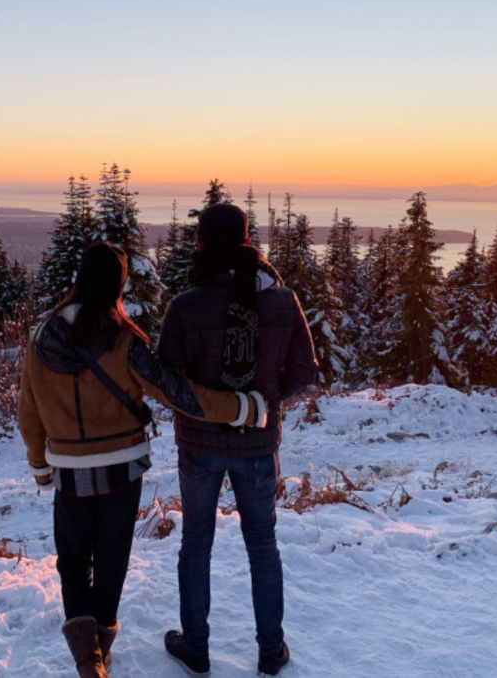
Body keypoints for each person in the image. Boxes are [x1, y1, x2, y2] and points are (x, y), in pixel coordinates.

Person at [18, 242, 266, 678]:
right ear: (118, 285)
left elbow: (29, 409)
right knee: (112, 557)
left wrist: (40, 463)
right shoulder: (124, 340)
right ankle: (100, 650)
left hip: (69, 471)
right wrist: (241, 408)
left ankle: (88, 659)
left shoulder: (42, 338)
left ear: (78, 278)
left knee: (74, 562)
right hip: (122, 466)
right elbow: (178, 392)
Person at [157, 203, 318, 676]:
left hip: (199, 445)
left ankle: (198, 649)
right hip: (257, 447)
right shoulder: (282, 300)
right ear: (248, 240)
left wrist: (213, 409)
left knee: (197, 544)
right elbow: (305, 370)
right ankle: (271, 651)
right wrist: (264, 404)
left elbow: (167, 380)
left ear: (202, 242)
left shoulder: (185, 305)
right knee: (262, 545)